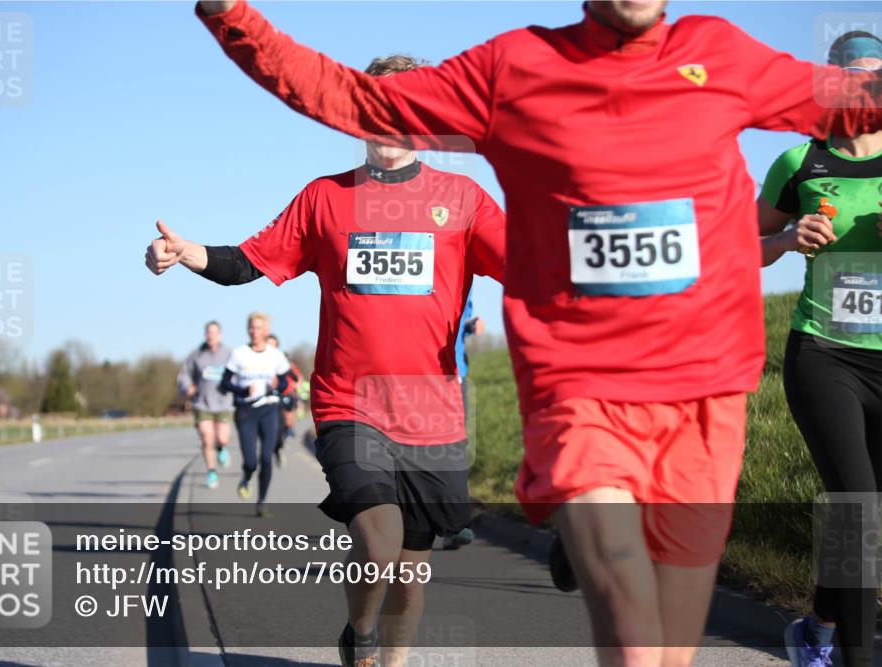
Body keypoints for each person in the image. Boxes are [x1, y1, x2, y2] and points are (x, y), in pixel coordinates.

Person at [192, 1, 882, 664]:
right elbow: (348, 96)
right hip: (580, 388)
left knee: (669, 649)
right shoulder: (516, 68)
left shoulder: (722, 53)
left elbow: (850, 98)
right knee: (633, 631)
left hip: (704, 392)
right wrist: (233, 14)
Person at [145, 54, 506, 667]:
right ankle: (360, 632)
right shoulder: (325, 199)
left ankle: (385, 657)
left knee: (412, 572)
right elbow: (249, 263)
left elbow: (533, 266)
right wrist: (188, 253)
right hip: (350, 403)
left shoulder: (463, 199)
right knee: (379, 537)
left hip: (433, 412)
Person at [758, 31, 882, 667]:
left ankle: (819, 626)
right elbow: (739, 245)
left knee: (860, 512)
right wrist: (786, 239)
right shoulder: (799, 162)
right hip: (826, 353)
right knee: (859, 511)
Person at [219, 312, 291, 517]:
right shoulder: (239, 353)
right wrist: (242, 391)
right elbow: (225, 382)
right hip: (246, 411)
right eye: (251, 327)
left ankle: (261, 502)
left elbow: (285, 382)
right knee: (251, 461)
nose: (254, 331)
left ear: (266, 331)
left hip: (268, 409)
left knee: (266, 458)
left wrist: (274, 389)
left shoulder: (275, 355)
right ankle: (246, 476)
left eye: (258, 328)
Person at [442, 289, 483, 551]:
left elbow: (459, 321)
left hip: (455, 375)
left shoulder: (466, 278)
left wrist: (470, 325)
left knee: (456, 447)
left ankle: (454, 524)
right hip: (416, 374)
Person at [177, 320, 234, 489]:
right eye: (208, 332)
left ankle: (222, 448)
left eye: (214, 332)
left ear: (220, 335)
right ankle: (211, 472)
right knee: (207, 438)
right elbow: (184, 375)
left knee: (222, 438)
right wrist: (187, 387)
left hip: (224, 403)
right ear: (205, 335)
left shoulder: (229, 353)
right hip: (202, 403)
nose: (211, 335)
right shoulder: (196, 355)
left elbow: (240, 371)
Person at [266, 333, 302, 467]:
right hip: (263, 399)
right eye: (267, 344)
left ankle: (279, 445)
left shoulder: (281, 360)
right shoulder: (256, 359)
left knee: (282, 423)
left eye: (272, 345)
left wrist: (294, 383)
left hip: (281, 396)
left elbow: (295, 376)